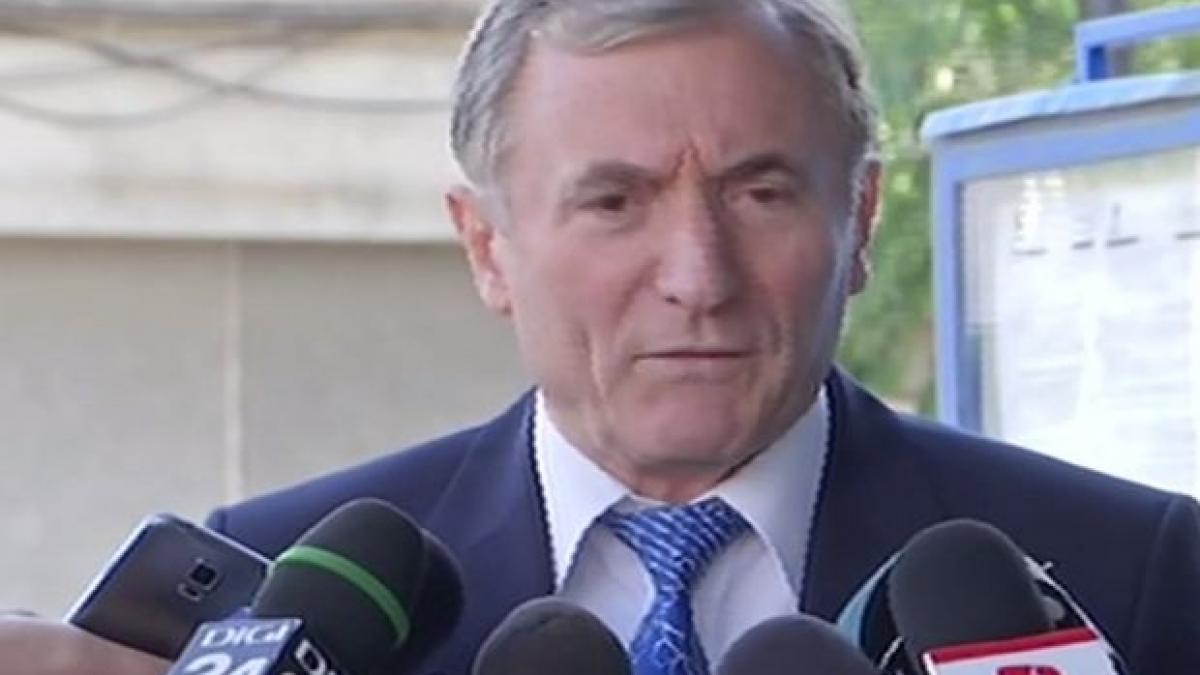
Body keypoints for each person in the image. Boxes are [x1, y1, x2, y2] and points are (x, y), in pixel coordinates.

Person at [4, 0, 1199, 673]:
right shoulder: (280, 601)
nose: (698, 277)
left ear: (861, 220)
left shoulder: (1137, 578)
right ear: (486, 246)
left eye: (760, 192)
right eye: (615, 201)